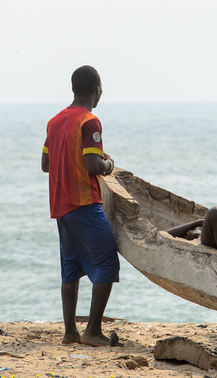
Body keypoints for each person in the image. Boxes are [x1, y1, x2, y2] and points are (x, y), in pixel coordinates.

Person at [41, 65, 120, 347]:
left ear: (74, 89)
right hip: (84, 202)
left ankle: (70, 332)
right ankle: (93, 331)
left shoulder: (55, 121)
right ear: (97, 92)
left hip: (61, 206)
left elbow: (46, 164)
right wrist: (107, 164)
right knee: (108, 262)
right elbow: (91, 164)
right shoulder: (90, 122)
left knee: (71, 267)